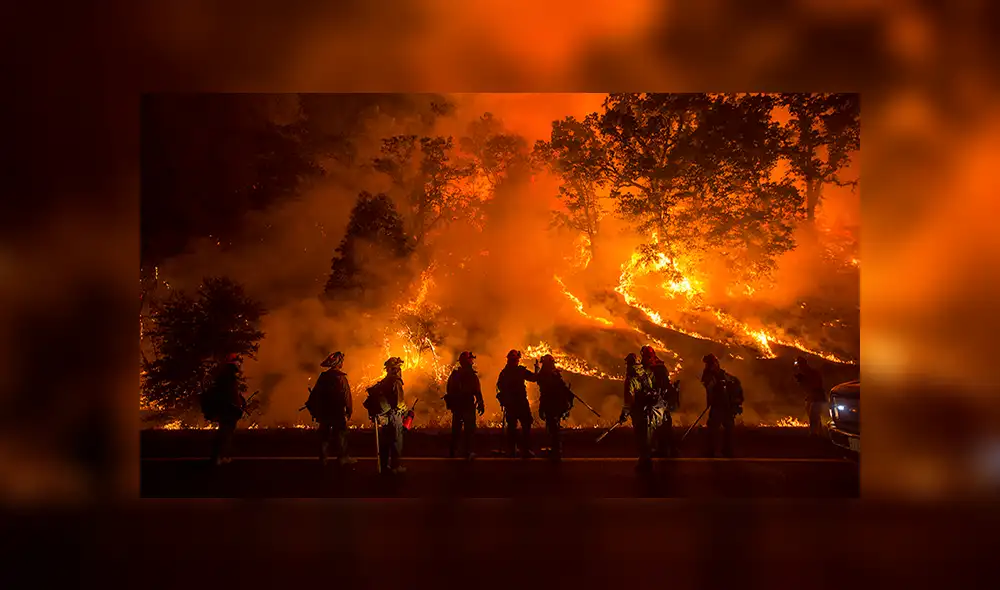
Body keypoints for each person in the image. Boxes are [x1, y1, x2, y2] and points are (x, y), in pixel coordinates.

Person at [305, 351, 357, 467]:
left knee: (324, 436)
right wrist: (349, 411)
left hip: (325, 412)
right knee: (341, 434)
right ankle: (342, 458)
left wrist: (314, 409)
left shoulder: (323, 377)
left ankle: (323, 459)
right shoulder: (341, 378)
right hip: (337, 412)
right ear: (338, 363)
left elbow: (315, 394)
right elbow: (346, 396)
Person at [201, 353, 247, 466]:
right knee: (225, 433)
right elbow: (229, 394)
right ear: (235, 363)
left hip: (227, 408)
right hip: (228, 409)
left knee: (225, 432)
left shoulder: (226, 375)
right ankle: (218, 457)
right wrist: (238, 405)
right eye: (239, 363)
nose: (240, 365)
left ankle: (221, 456)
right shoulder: (228, 376)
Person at [364, 357, 407, 475]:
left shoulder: (385, 381)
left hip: (385, 417)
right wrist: (405, 410)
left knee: (385, 441)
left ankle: (384, 465)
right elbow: (399, 403)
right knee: (396, 440)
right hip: (394, 416)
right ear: (395, 368)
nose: (400, 370)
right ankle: (395, 467)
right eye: (399, 367)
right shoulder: (396, 381)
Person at [619, 352, 662, 471]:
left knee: (640, 437)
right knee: (647, 437)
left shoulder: (631, 379)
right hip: (650, 412)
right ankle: (647, 460)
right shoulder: (645, 375)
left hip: (639, 413)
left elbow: (629, 399)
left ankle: (644, 462)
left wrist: (624, 413)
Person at [496, 349, 538, 458]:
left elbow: (499, 386)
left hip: (511, 403)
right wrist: (537, 370)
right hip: (519, 402)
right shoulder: (520, 371)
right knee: (525, 425)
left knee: (512, 427)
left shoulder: (504, 372)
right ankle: (525, 449)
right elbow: (533, 378)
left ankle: (512, 449)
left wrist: (505, 397)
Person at [700, 353, 743, 458]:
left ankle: (723, 451)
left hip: (724, 405)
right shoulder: (714, 374)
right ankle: (721, 451)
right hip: (721, 405)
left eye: (708, 363)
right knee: (717, 428)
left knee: (719, 428)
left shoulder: (720, 376)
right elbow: (708, 388)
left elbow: (710, 388)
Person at [640, 345, 679, 458]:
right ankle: (663, 449)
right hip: (654, 402)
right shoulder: (647, 368)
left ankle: (671, 450)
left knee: (664, 426)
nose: (645, 359)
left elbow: (665, 385)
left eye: (647, 356)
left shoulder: (659, 368)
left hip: (660, 401)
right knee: (657, 427)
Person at [444, 351, 485, 460]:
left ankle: (453, 451)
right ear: (468, 361)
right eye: (471, 359)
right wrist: (481, 403)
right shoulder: (471, 375)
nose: (472, 361)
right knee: (469, 430)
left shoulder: (455, 374)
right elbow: (477, 390)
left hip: (457, 406)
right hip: (467, 406)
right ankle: (468, 451)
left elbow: (449, 389)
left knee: (456, 429)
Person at [535, 354, 574, 462]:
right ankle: (556, 448)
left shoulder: (545, 375)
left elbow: (541, 385)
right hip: (556, 405)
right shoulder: (554, 374)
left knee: (553, 427)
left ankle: (556, 449)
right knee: (554, 427)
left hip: (550, 404)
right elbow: (563, 388)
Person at [794, 356, 826, 436]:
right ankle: (820, 434)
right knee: (815, 417)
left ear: (804, 364)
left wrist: (804, 380)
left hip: (817, 398)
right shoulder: (805, 374)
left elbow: (815, 386)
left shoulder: (813, 373)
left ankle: (814, 435)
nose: (799, 367)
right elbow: (806, 389)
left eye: (800, 365)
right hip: (811, 398)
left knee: (813, 417)